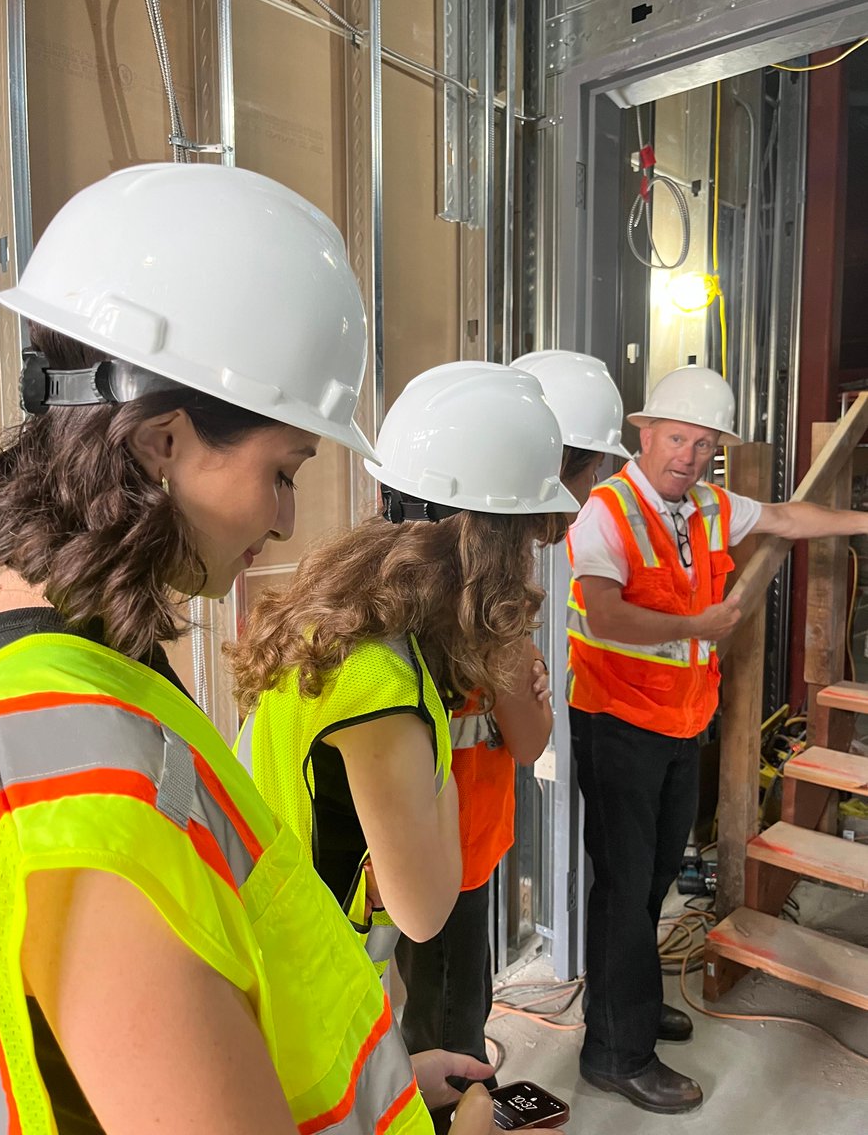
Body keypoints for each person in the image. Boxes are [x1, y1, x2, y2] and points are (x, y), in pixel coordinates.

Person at [0, 163, 499, 1135]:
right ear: (163, 442)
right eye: (283, 471)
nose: (290, 521)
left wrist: (385, 1077)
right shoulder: (82, 779)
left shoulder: (48, 670)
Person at [566, 364, 868, 1115]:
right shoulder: (606, 511)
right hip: (616, 724)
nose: (690, 456)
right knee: (623, 890)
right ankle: (615, 1053)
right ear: (645, 433)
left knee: (656, 879)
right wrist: (695, 628)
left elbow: (788, 519)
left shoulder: (706, 506)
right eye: (678, 438)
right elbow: (604, 617)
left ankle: (625, 1010)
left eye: (705, 445)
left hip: (677, 724)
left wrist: (864, 520)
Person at [231, 360, 576, 984]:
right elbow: (423, 911)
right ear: (492, 548)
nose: (529, 566)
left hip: (281, 944)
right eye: (525, 543)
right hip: (304, 980)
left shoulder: (341, 610)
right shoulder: (383, 685)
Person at [394, 350, 630, 1085]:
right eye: (588, 474)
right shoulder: (475, 609)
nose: (588, 495)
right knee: (449, 1034)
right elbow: (531, 738)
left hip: (447, 850)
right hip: (436, 863)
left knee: (443, 1016)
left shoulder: (408, 582)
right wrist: (515, 678)